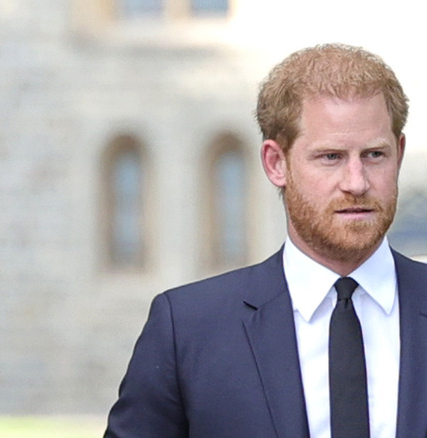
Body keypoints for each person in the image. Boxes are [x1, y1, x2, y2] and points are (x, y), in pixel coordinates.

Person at [104, 44, 427, 437]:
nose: (356, 182)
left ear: (400, 153)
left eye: (375, 154)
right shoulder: (187, 330)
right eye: (330, 157)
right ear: (277, 163)